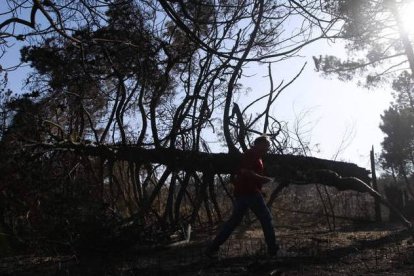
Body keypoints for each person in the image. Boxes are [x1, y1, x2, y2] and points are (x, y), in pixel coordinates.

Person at [206, 136, 279, 257]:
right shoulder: (251, 155)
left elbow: (247, 175)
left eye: (268, 145)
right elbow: (246, 172)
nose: (268, 147)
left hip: (244, 193)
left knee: (233, 222)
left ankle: (212, 248)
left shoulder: (255, 156)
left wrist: (260, 190)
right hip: (250, 193)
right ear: (258, 144)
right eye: (266, 144)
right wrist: (265, 179)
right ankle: (273, 249)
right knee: (266, 219)